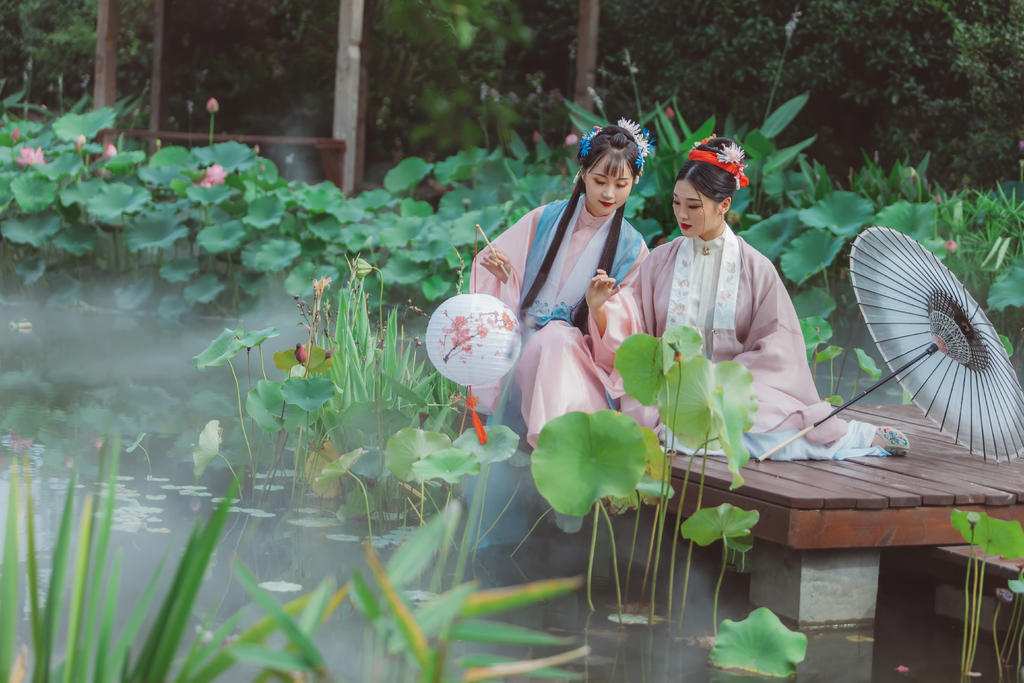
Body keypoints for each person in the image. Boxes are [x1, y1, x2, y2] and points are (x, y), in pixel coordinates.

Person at [593, 135, 910, 459]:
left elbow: (778, 349)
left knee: (761, 431)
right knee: (674, 430)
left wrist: (721, 379)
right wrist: (601, 308)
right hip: (671, 388)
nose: (681, 215)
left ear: (724, 205)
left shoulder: (756, 269)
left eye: (693, 206)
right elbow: (633, 321)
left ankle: (856, 437)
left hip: (735, 390)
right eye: (676, 203)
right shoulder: (660, 261)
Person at [471, 120, 653, 448]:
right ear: (583, 173)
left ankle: (552, 442)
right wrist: (505, 277)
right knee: (554, 338)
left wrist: (599, 309)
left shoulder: (632, 248)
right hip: (525, 346)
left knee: (558, 338)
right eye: (600, 181)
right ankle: (556, 446)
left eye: (621, 184)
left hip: (585, 364)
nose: (609, 193)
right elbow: (505, 280)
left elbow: (629, 334)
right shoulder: (543, 219)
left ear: (634, 182)